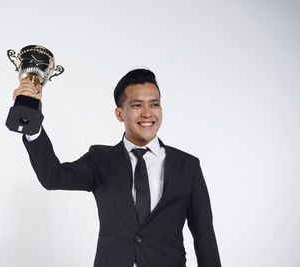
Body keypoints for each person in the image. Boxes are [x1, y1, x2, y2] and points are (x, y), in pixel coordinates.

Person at [13, 69, 222, 267]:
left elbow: (204, 236)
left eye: (155, 104)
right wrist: (30, 115)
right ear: (119, 114)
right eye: (137, 105)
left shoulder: (187, 166)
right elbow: (53, 177)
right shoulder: (100, 160)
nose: (148, 113)